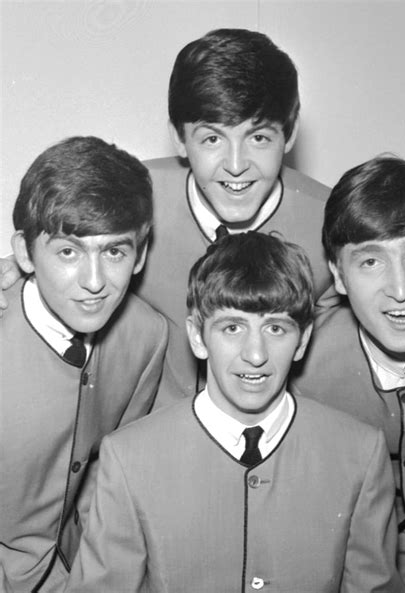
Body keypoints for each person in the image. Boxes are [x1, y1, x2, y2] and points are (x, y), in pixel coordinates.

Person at [0, 28, 335, 400]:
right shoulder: (131, 197)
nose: (236, 165)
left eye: (259, 138)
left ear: (290, 133)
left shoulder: (332, 223)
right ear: (178, 137)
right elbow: (55, 243)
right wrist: (11, 269)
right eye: (212, 138)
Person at [65, 231, 405, 593]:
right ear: (198, 336)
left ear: (303, 340)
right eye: (232, 327)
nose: (255, 354)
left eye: (276, 328)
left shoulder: (360, 453)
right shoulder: (129, 457)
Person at [292, 155, 405, 592]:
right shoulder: (302, 354)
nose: (400, 289)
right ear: (338, 276)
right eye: (371, 262)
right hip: (376, 531)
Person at [0, 136, 168, 593]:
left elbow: (109, 479)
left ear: (140, 254)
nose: (95, 282)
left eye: (114, 252)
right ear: (24, 253)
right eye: (68, 252)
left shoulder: (146, 335)